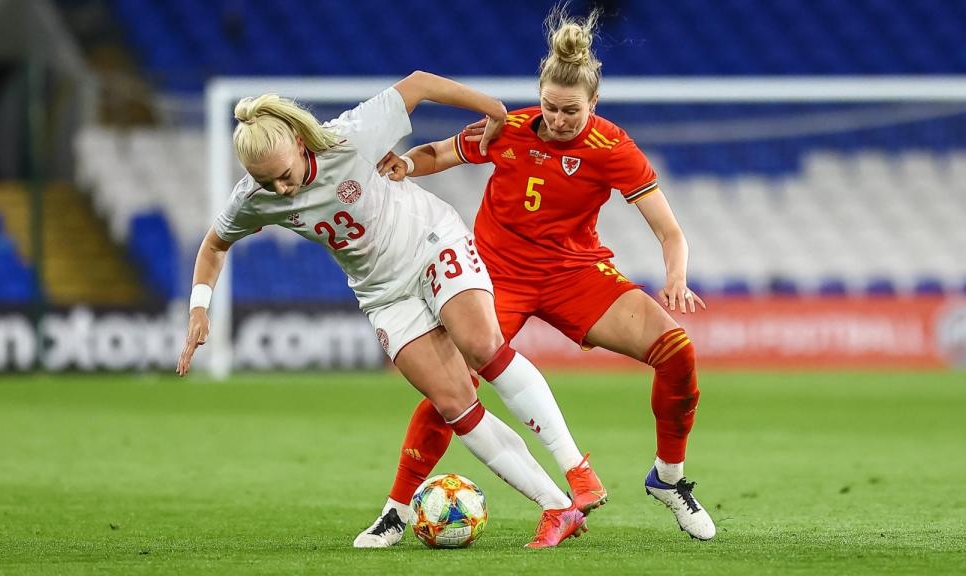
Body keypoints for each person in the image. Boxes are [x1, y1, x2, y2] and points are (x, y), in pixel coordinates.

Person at [174, 70, 593, 549]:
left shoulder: (350, 136)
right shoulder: (255, 198)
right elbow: (214, 244)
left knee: (481, 347)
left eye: (285, 175)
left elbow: (417, 85)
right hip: (383, 294)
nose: (282, 190)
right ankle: (557, 507)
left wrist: (493, 108)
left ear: (297, 141)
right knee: (455, 404)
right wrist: (199, 308)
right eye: (266, 181)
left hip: (432, 242)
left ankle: (576, 468)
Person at [370, 7, 716, 543]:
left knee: (677, 352)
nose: (558, 119)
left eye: (571, 111)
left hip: (576, 275)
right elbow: (443, 152)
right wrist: (407, 164)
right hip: (495, 278)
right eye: (551, 107)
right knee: (450, 390)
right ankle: (395, 509)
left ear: (594, 104)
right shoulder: (509, 128)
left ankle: (668, 479)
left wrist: (676, 276)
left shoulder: (612, 148)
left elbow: (670, 231)